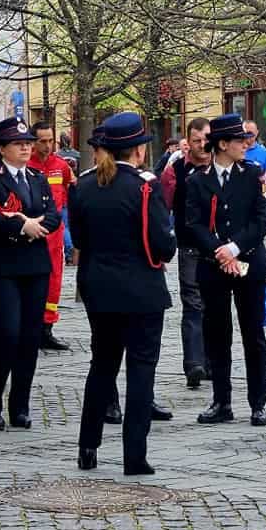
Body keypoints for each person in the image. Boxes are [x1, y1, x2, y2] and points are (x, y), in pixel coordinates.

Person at [72, 112, 177, 476]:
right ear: (137, 151)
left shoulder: (83, 186)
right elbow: (162, 245)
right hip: (142, 290)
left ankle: (88, 446)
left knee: (101, 366)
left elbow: (81, 239)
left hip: (99, 288)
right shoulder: (145, 186)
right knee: (141, 370)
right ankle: (134, 455)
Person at [0, 117, 60, 431]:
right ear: (2, 148)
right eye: (18, 144)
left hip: (34, 264)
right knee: (5, 335)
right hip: (2, 265)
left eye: (28, 143)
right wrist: (21, 225)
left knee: (29, 338)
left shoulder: (36, 177)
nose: (26, 148)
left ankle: (19, 405)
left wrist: (36, 226)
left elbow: (53, 214)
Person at [186, 113, 266, 427]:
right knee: (217, 335)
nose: (245, 145)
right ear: (222, 144)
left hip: (249, 263)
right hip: (214, 266)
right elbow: (193, 223)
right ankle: (221, 401)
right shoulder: (198, 179)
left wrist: (234, 247)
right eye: (239, 140)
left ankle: (258, 403)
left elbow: (262, 220)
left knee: (253, 334)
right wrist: (218, 250)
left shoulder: (253, 174)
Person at [160, 117, 211, 389]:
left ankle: (213, 362)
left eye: (206, 139)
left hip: (219, 248)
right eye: (196, 140)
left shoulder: (222, 165)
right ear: (188, 142)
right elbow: (162, 208)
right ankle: (194, 364)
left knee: (216, 304)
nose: (202, 145)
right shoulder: (175, 170)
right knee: (193, 304)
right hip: (189, 245)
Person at [28, 121, 73, 350]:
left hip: (55, 237)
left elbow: (66, 190)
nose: (47, 146)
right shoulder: (27, 165)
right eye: (42, 141)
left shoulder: (61, 166)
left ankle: (47, 328)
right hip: (32, 234)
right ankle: (30, 328)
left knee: (54, 282)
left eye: (50, 141)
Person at [243, 121, 266, 232]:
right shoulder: (236, 150)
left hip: (259, 194)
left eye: (251, 134)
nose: (248, 137)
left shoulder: (264, 153)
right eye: (245, 134)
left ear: (257, 133)